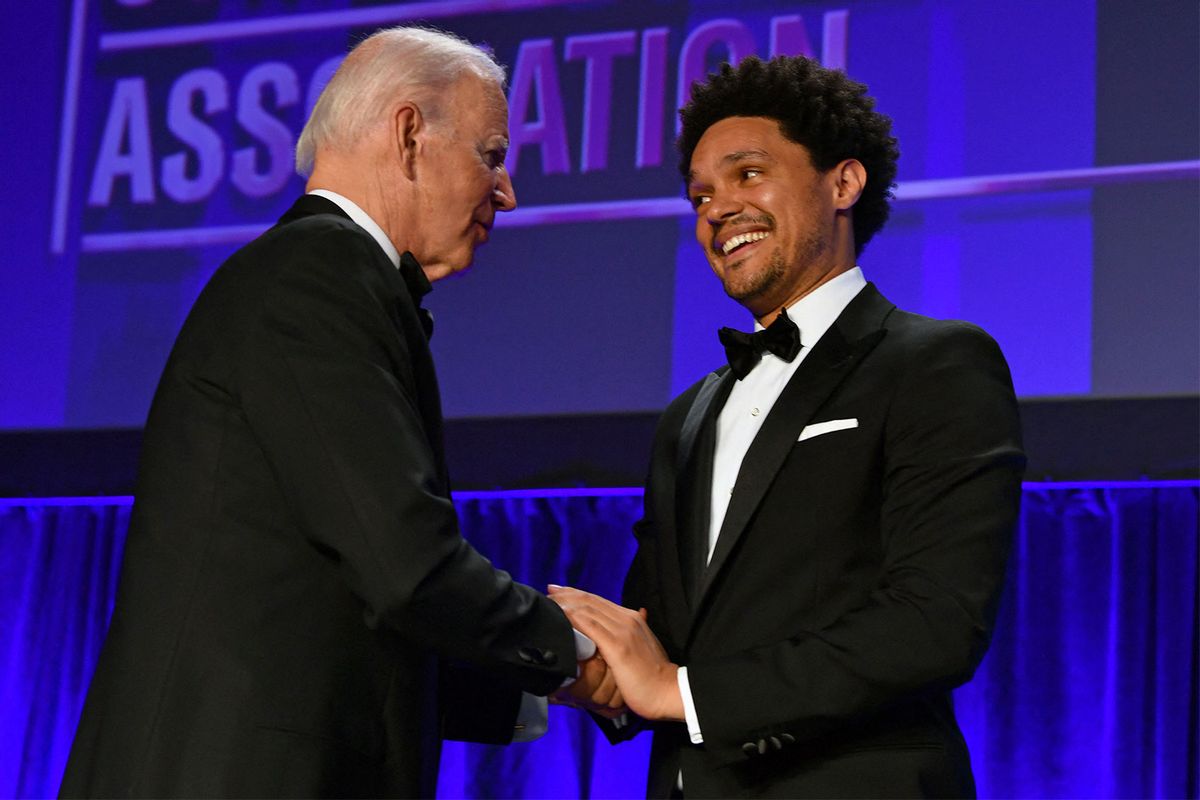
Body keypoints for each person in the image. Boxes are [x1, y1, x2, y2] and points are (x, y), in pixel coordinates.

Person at [59, 26, 608, 799]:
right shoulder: (321, 275)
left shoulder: (322, 277)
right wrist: (582, 653)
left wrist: (544, 681)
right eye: (492, 154)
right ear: (411, 134)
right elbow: (405, 569)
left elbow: (345, 610)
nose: (507, 190)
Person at [550, 54, 1025, 798]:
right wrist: (567, 656)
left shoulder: (936, 363)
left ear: (844, 182)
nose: (715, 209)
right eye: (700, 194)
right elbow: (655, 642)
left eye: (746, 175)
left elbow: (935, 621)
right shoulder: (690, 415)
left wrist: (685, 695)